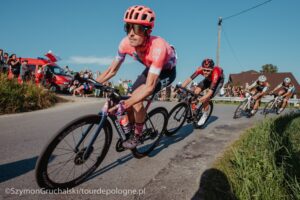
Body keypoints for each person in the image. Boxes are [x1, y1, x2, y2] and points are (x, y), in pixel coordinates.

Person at [96, 5, 177, 149]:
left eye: (138, 28)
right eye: (128, 27)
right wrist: (91, 83)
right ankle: (132, 125)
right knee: (129, 97)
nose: (131, 33)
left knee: (136, 100)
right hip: (150, 68)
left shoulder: (158, 47)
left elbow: (149, 87)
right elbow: (111, 70)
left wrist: (125, 104)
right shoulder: (125, 43)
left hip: (167, 72)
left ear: (147, 31)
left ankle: (138, 136)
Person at [180, 58, 224, 126]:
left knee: (206, 99)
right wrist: (181, 88)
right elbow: (189, 79)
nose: (205, 72)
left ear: (212, 69)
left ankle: (205, 114)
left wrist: (199, 100)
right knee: (196, 91)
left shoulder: (215, 73)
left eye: (208, 70)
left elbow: (209, 93)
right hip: (208, 79)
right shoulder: (200, 69)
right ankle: (194, 110)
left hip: (218, 81)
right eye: (204, 70)